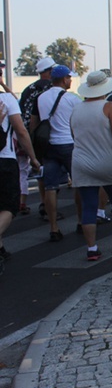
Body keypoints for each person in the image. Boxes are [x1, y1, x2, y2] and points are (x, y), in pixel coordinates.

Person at [71, 71, 112, 261]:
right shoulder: (109, 107)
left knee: (89, 206)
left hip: (81, 162)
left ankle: (92, 248)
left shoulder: (76, 108)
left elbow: (74, 135)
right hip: (108, 161)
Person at [34, 65, 82, 242]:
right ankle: (81, 221)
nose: (70, 80)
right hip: (69, 144)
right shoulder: (72, 99)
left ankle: (54, 227)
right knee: (78, 183)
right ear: (64, 79)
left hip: (49, 146)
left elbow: (35, 121)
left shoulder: (41, 98)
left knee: (50, 187)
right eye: (69, 77)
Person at [0, 93, 40, 274]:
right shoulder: (6, 99)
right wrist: (33, 158)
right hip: (4, 160)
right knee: (9, 206)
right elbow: (21, 131)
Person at [17, 57, 56, 216]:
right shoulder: (50, 88)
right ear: (50, 72)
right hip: (47, 134)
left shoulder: (28, 89)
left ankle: (41, 201)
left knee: (36, 169)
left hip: (29, 135)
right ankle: (48, 205)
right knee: (52, 171)